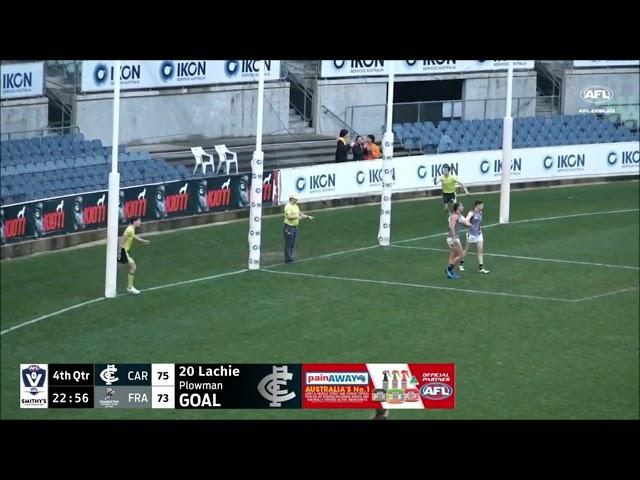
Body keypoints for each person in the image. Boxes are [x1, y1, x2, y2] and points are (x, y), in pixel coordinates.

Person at [117, 216, 150, 294]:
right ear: (134, 221)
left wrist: (142, 240)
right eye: (139, 221)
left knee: (122, 266)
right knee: (133, 267)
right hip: (123, 251)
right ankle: (129, 287)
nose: (140, 222)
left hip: (125, 251)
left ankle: (128, 287)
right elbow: (122, 239)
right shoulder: (130, 229)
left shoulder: (131, 229)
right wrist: (119, 251)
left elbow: (133, 236)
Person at [459, 200, 490, 274]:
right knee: (466, 250)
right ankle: (460, 264)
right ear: (477, 205)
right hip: (471, 235)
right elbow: (465, 221)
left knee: (480, 250)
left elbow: (478, 223)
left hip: (479, 234)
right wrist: (468, 224)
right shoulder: (471, 212)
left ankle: (481, 268)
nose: (483, 207)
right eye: (482, 205)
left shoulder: (480, 212)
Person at [283, 193, 313, 263]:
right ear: (291, 199)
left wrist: (308, 217)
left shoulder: (296, 206)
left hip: (295, 227)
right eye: (295, 199)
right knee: (288, 243)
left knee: (292, 243)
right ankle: (288, 259)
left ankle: (290, 257)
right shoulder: (287, 207)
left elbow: (300, 214)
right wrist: (297, 217)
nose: (296, 200)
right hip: (289, 227)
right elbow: (289, 217)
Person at [445, 201, 471, 279]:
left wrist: (468, 225)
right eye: (461, 206)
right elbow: (452, 227)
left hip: (453, 238)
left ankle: (450, 273)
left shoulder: (458, 216)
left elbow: (465, 224)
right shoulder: (455, 216)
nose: (463, 207)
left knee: (454, 255)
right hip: (453, 238)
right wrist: (454, 239)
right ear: (458, 207)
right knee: (461, 254)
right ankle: (449, 269)